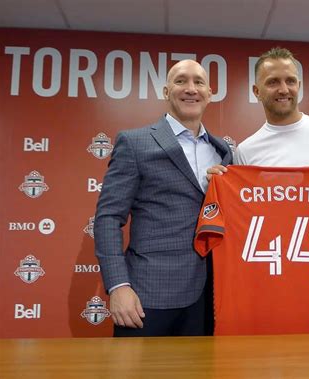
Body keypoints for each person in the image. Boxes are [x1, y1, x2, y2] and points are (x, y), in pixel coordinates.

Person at [208, 47, 309, 332]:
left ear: (300, 86)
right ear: (257, 91)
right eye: (273, 82)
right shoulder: (246, 150)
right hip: (276, 270)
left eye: (290, 81)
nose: (284, 89)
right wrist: (220, 183)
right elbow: (243, 215)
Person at [94, 59, 232, 337]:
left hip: (210, 297)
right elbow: (108, 218)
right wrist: (119, 286)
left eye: (199, 82)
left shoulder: (224, 152)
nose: (191, 89)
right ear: (166, 91)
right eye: (181, 81)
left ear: (210, 93)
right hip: (147, 296)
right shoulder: (135, 143)